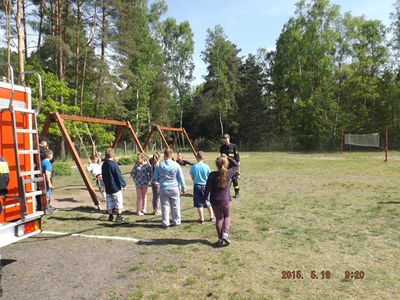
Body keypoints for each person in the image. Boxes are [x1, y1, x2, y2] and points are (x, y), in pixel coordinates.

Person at [203, 154, 238, 247]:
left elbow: (207, 190)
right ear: (226, 164)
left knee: (219, 219)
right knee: (227, 216)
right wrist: (227, 157)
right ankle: (225, 235)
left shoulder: (211, 175)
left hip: (214, 201)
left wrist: (203, 200)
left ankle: (220, 238)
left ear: (216, 165)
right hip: (225, 201)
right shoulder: (228, 173)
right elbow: (236, 165)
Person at [153, 149, 186, 228]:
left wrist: (161, 180)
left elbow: (155, 177)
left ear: (164, 155)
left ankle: (165, 222)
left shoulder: (159, 165)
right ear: (171, 155)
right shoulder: (176, 165)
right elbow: (181, 177)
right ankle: (176, 221)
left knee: (165, 206)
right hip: (174, 187)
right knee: (175, 205)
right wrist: (183, 187)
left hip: (164, 187)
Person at [102, 148, 126, 222]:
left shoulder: (104, 164)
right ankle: (119, 217)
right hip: (115, 186)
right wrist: (123, 184)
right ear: (113, 154)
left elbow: (103, 175)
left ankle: (110, 216)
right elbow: (118, 175)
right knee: (118, 201)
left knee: (109, 202)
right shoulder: (113, 164)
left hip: (108, 186)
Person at [189, 151, 214, 224]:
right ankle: (211, 217)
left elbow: (192, 177)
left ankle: (201, 218)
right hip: (205, 186)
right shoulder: (206, 166)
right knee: (208, 202)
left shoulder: (194, 167)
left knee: (199, 203)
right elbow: (209, 176)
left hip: (197, 186)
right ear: (203, 158)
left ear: (197, 157)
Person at [220, 134, 240, 198]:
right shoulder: (222, 147)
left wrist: (238, 163)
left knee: (234, 179)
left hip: (233, 165)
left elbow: (237, 156)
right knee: (225, 180)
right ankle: (225, 193)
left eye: (226, 138)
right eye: (223, 138)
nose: (224, 140)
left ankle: (237, 192)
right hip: (225, 166)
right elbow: (222, 157)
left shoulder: (234, 146)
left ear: (229, 138)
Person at [41, 149, 54, 214]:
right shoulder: (47, 162)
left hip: (42, 181)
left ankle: (44, 207)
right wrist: (49, 183)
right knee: (47, 195)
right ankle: (47, 208)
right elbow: (47, 172)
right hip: (46, 180)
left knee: (44, 195)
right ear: (49, 155)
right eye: (52, 154)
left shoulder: (42, 161)